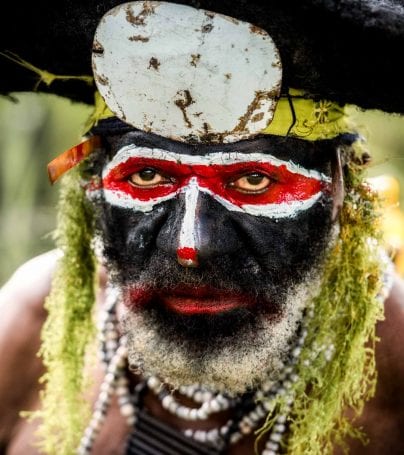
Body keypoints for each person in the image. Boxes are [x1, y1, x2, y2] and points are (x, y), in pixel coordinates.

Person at [1, 1, 404, 454]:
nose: (190, 246)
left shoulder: (394, 362)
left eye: (254, 180)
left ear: (338, 189)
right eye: (147, 176)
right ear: (92, 184)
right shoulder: (29, 321)